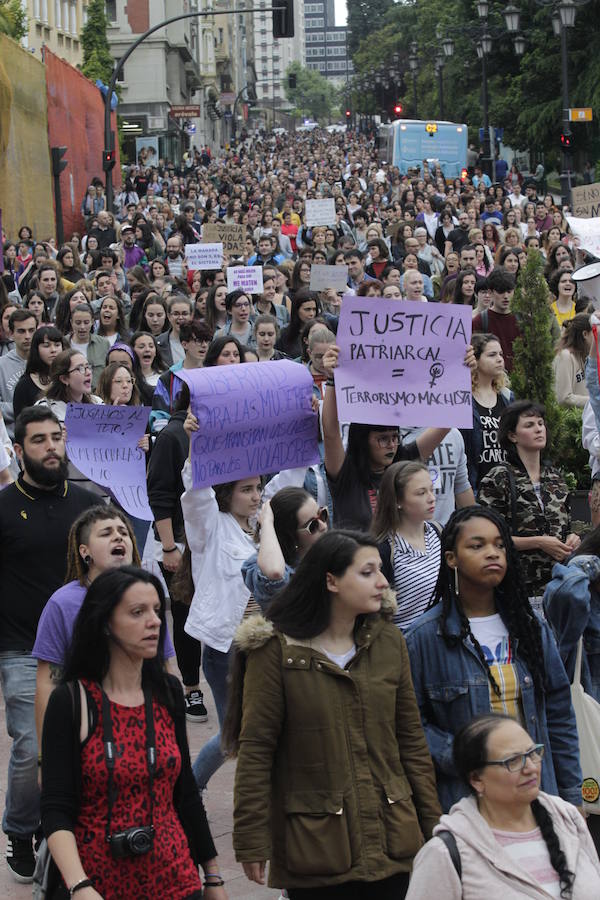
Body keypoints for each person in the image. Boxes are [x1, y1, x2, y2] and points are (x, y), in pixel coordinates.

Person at [225, 530, 442, 898]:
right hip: (316, 848)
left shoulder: (388, 641)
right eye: (367, 571)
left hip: (393, 836)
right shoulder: (276, 651)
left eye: (381, 570)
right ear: (331, 580)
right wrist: (251, 838)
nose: (383, 581)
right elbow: (257, 750)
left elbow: (410, 740)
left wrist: (434, 825)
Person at [40, 567, 227, 900]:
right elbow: (56, 808)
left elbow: (185, 792)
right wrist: (79, 885)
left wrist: (212, 877)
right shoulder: (72, 700)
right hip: (98, 883)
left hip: (175, 878)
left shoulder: (167, 692)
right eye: (137, 612)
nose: (155, 621)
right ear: (104, 623)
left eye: (157, 610)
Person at [405, 506, 582, 815]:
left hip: (537, 798)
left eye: (500, 545)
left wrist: (571, 796)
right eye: (477, 545)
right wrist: (464, 756)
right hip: (467, 804)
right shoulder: (424, 638)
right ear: (451, 558)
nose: (493, 553)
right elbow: (411, 724)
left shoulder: (530, 626)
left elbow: (559, 714)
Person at [0, 406, 98, 882]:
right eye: (38, 440)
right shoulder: (2, 507)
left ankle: (66, 823)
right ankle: (22, 824)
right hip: (21, 646)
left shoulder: (88, 503)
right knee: (30, 743)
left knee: (87, 740)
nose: (50, 447)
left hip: (84, 643)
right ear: (19, 451)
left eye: (56, 438)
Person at [406, 714, 600, 899]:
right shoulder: (445, 853)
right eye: (512, 761)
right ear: (476, 779)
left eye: (533, 753)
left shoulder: (567, 819)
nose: (531, 768)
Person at [181, 409, 260, 791]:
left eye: (258, 488)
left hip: (263, 644)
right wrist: (197, 445)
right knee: (234, 735)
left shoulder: (264, 528)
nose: (256, 496)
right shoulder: (211, 527)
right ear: (228, 492)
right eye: (247, 490)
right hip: (225, 647)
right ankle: (189, 792)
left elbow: (293, 483)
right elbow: (196, 494)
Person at [321, 344, 474, 531]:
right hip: (356, 558)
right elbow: (330, 433)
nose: (392, 445)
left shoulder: (402, 462)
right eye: (383, 439)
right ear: (363, 440)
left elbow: (447, 421)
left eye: (395, 437)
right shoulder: (346, 474)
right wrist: (331, 379)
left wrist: (461, 371)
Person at [478, 399, 580, 602]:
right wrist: (538, 542)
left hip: (559, 587)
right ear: (512, 435)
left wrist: (573, 539)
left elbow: (571, 526)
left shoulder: (555, 477)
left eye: (541, 423)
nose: (538, 429)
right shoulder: (498, 477)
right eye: (529, 425)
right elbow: (488, 539)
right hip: (518, 590)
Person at [147, 384, 207, 723]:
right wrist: (169, 547)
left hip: (210, 539)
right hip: (178, 545)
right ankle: (191, 687)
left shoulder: (217, 433)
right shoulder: (171, 436)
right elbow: (160, 493)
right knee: (184, 615)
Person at [372, 461, 442, 631]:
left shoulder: (439, 532)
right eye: (421, 493)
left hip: (444, 641)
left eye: (432, 490)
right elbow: (378, 614)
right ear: (397, 501)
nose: (432, 498)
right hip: (407, 645)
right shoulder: (383, 550)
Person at [242, 487, 329, 611]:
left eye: (323, 514)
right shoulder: (264, 566)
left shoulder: (338, 551)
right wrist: (267, 522)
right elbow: (275, 573)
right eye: (312, 525)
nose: (323, 526)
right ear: (291, 536)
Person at [461, 333, 514, 492]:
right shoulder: (462, 398)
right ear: (475, 360)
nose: (499, 359)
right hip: (475, 484)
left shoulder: (507, 397)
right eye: (492, 355)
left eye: (500, 354)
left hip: (505, 487)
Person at [12, 325, 65, 420]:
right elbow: (20, 424)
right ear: (36, 349)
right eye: (46, 345)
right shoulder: (24, 385)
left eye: (57, 345)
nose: (53, 350)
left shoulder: (71, 378)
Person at [0, 308, 37, 437]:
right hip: (12, 437)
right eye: (21, 331)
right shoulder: (1, 365)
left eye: (31, 331)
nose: (27, 336)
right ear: (11, 333)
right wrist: (26, 408)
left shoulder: (46, 363)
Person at [68, 303, 110, 389]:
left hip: (96, 394)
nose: (82, 327)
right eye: (78, 323)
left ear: (92, 322)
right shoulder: (64, 343)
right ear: (71, 323)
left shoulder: (103, 344)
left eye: (86, 322)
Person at [553, 314, 591, 408]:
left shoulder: (585, 355)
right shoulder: (565, 356)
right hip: (572, 420)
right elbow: (563, 398)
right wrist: (594, 401)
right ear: (585, 334)